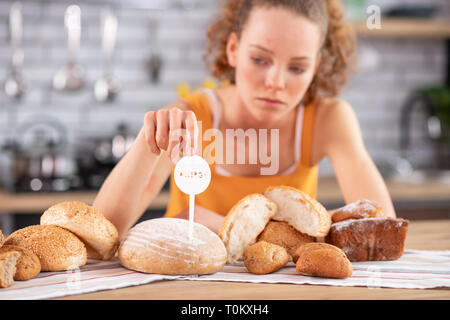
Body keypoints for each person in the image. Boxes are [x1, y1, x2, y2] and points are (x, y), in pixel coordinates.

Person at [93, 0, 396, 237]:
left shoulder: (328, 120)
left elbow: (382, 228)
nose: (276, 81)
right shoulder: (193, 117)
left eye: (297, 68)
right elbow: (101, 234)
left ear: (315, 67)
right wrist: (147, 144)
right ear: (234, 49)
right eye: (260, 59)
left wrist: (226, 226)